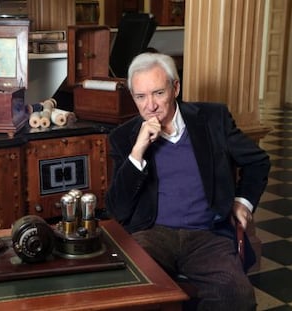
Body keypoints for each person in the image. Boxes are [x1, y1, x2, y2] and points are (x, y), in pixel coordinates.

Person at [105, 52, 270, 310]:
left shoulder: (213, 119)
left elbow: (258, 161)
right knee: (130, 294)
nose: (150, 105)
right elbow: (118, 209)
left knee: (236, 294)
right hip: (151, 235)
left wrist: (243, 202)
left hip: (206, 233)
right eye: (140, 96)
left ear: (176, 88)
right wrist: (137, 151)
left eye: (158, 93)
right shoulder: (123, 137)